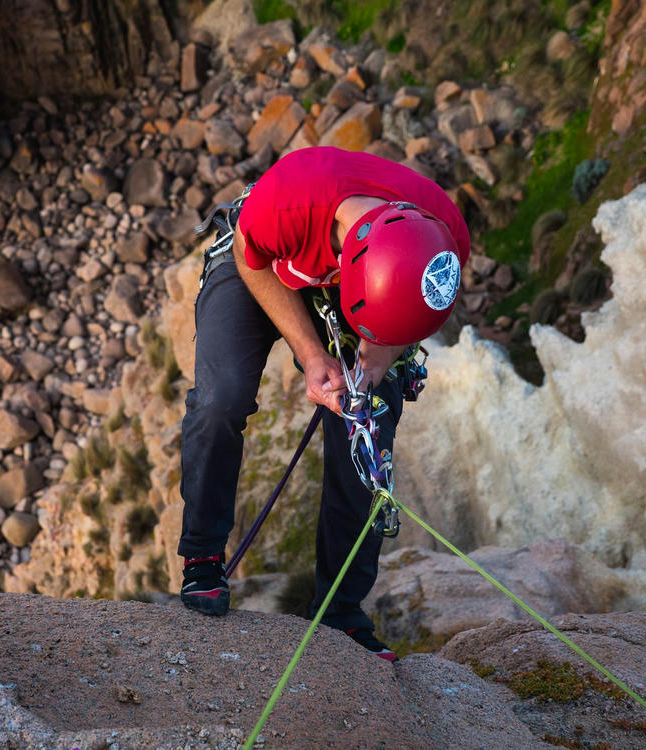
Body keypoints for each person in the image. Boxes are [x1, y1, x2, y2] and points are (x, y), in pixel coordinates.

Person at [177, 146, 470, 661]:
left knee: (367, 421)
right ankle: (202, 554)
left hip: (366, 279)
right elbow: (255, 257)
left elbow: (405, 313)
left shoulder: (441, 241)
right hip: (258, 263)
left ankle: (340, 610)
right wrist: (312, 354)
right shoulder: (288, 206)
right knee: (222, 399)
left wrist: (373, 366)